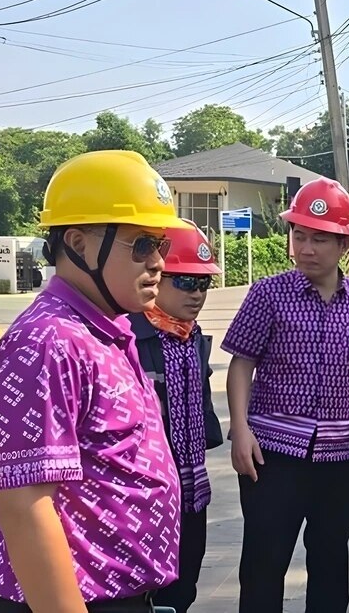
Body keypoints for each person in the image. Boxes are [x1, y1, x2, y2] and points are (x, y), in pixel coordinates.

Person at [0, 150, 183, 613]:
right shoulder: (47, 343)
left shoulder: (105, 331)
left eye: (160, 245)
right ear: (79, 243)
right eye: (141, 245)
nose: (158, 263)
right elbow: (26, 508)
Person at [222, 176, 349, 613]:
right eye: (300, 235)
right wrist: (240, 430)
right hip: (272, 453)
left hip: (339, 457)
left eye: (320, 238)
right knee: (264, 559)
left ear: (344, 244)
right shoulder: (268, 294)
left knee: (330, 558)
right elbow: (241, 364)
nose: (307, 248)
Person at [128, 219, 224, 613]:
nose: (197, 294)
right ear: (156, 275)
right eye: (185, 282)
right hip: (142, 499)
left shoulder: (192, 339)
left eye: (204, 284)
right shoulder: (127, 339)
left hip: (190, 495)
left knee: (182, 590)